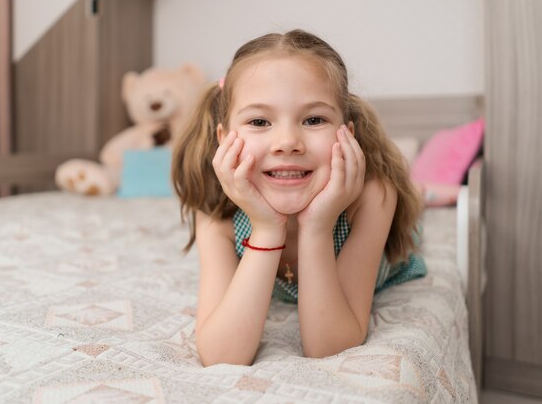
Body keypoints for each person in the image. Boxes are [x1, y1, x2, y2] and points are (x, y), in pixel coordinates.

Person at [172, 29, 426, 367]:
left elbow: (329, 346)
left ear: (346, 134)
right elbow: (222, 355)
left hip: (380, 245)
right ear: (224, 139)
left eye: (314, 119)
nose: (287, 142)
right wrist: (266, 229)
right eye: (260, 121)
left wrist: (317, 227)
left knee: (413, 199)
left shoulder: (370, 196)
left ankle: (425, 192)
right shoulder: (217, 211)